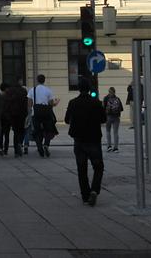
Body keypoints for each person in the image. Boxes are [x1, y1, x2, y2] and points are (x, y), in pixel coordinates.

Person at [64, 77, 106, 206]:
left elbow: (66, 120)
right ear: (89, 89)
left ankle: (85, 196)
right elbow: (103, 119)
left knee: (81, 169)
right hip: (94, 139)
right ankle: (94, 190)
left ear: (78, 88)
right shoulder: (96, 103)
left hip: (79, 140)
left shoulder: (73, 103)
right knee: (98, 167)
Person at [28, 74, 59, 157]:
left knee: (37, 132)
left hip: (36, 113)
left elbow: (29, 104)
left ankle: (39, 148)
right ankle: (46, 144)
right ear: (44, 80)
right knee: (48, 130)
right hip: (46, 113)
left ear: (37, 80)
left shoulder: (32, 90)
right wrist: (56, 102)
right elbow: (51, 103)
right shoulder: (48, 90)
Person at [1, 81, 28, 157]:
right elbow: (26, 102)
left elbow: (7, 103)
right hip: (21, 114)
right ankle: (19, 143)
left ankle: (16, 150)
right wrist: (26, 113)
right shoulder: (23, 91)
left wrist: (7, 113)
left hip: (12, 114)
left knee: (15, 131)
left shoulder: (9, 91)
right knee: (21, 130)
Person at [103, 86, 124, 152]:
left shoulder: (106, 98)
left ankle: (109, 146)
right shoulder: (117, 98)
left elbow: (103, 108)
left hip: (108, 117)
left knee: (108, 131)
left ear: (109, 92)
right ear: (114, 92)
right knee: (115, 132)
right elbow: (121, 109)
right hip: (116, 117)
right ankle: (116, 148)